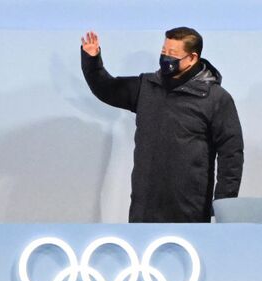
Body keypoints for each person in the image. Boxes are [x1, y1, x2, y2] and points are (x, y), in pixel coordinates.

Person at [81, 27, 244, 222]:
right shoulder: (146, 87)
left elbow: (231, 154)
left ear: (192, 58)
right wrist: (92, 60)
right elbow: (106, 88)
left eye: (173, 54)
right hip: (144, 208)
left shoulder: (216, 98)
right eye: (164, 52)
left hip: (190, 210)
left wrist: (223, 205)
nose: (166, 58)